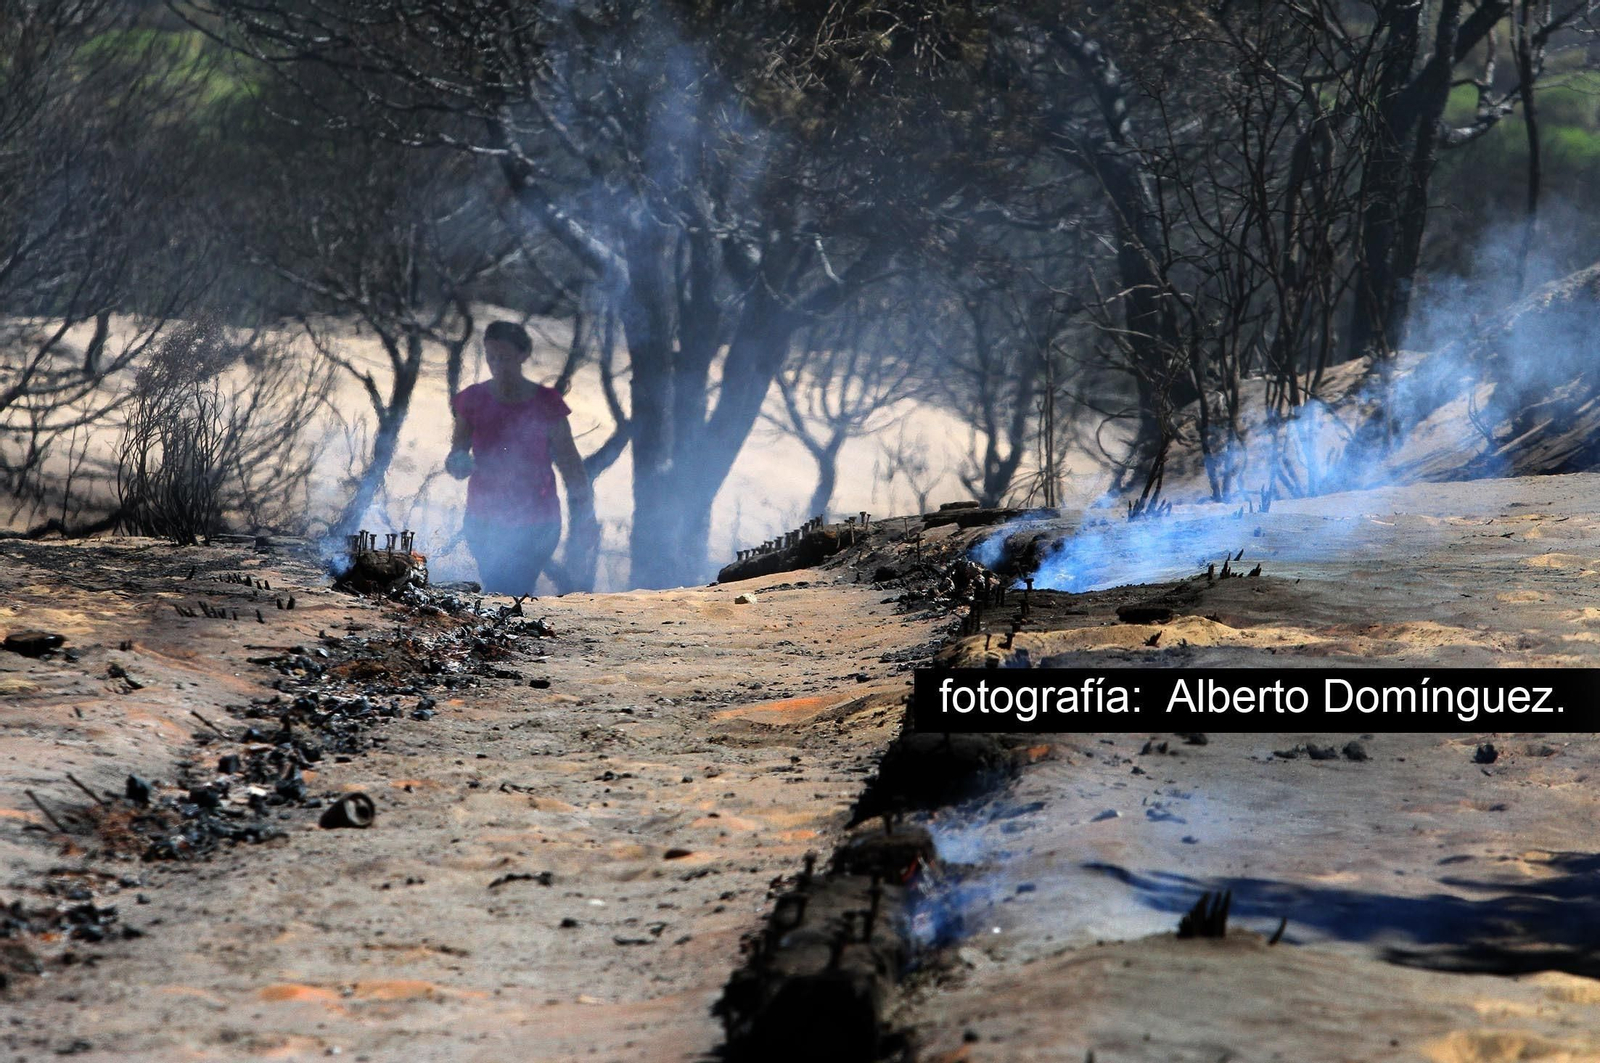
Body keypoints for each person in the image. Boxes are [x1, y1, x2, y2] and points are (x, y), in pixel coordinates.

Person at [446, 320, 596, 594]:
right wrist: (458, 463)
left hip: (536, 522)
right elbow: (456, 456)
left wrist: (586, 517)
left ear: (524, 354)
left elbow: (571, 465)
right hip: (483, 520)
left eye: (504, 357)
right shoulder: (473, 400)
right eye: (491, 357)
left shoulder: (547, 405)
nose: (497, 363)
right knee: (496, 588)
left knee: (511, 589)